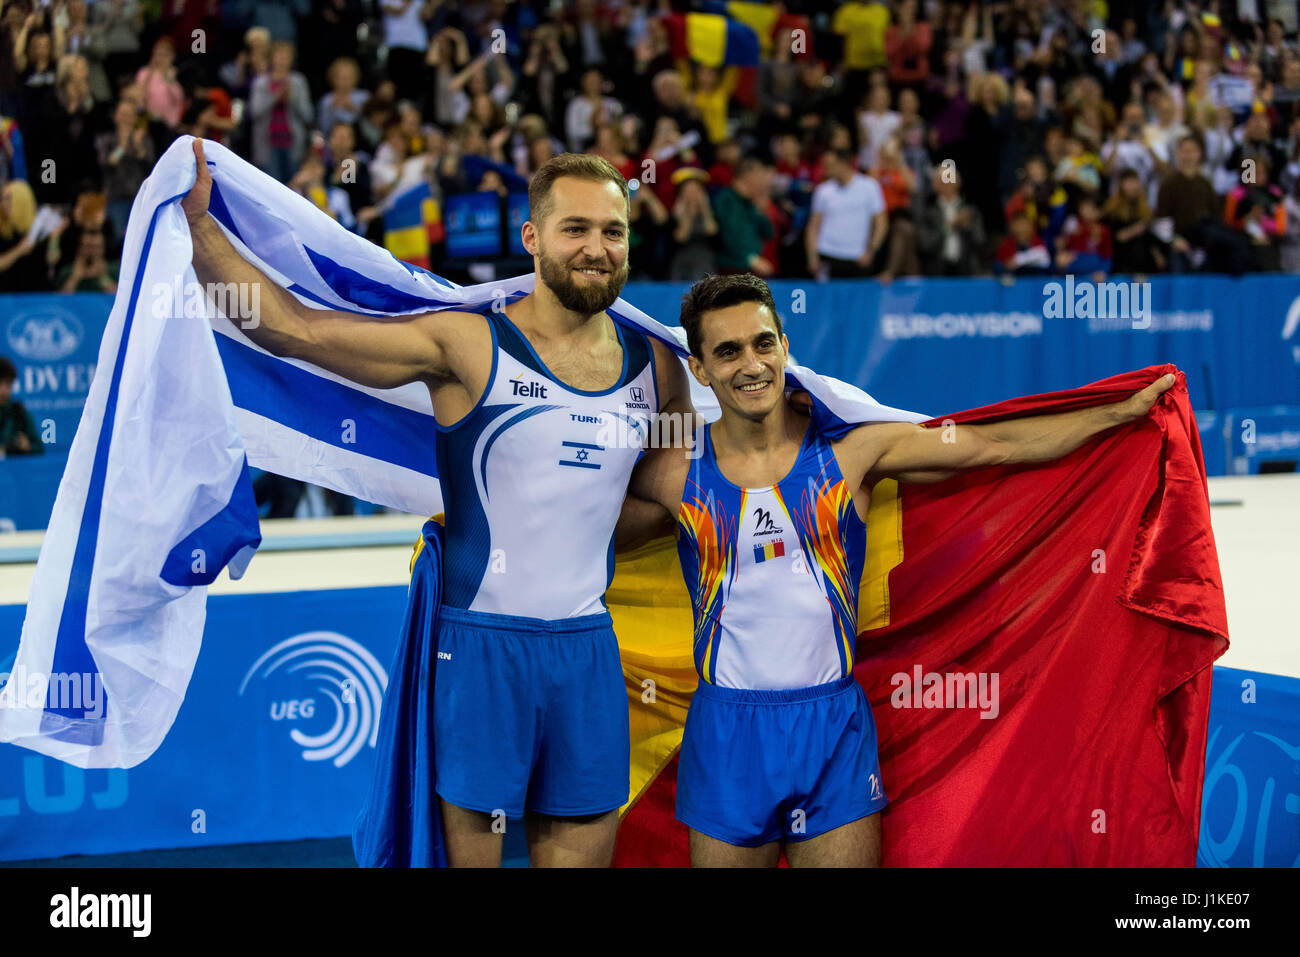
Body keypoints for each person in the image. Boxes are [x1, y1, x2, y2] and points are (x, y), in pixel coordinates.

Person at [182, 140, 697, 867]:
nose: (596, 248)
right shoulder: (468, 345)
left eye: (612, 231)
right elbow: (295, 329)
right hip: (480, 651)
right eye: (575, 228)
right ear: (532, 239)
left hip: (588, 653)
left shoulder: (660, 368)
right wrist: (201, 227)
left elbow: (673, 501)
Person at [617, 273, 1175, 866]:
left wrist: (1115, 416)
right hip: (727, 735)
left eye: (762, 343)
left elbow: (995, 446)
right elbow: (574, 506)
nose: (751, 364)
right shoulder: (676, 470)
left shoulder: (851, 453)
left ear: (785, 346)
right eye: (727, 352)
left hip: (832, 731)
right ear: (700, 370)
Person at [0, 356, 44, 457]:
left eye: (7, 385)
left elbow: (39, 448)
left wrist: (28, 447)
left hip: (13, 471)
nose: (3, 390)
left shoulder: (20, 413)